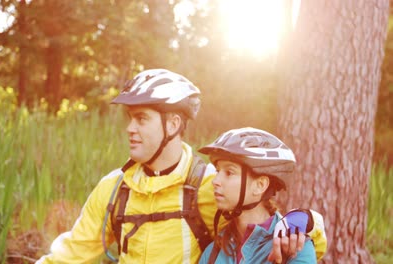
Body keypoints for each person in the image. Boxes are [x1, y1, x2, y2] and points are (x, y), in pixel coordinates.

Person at [36, 69, 325, 264]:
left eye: (141, 118)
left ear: (173, 124)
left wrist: (307, 221)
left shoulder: (210, 185)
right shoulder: (114, 189)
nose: (130, 128)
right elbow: (69, 253)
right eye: (129, 118)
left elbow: (273, 226)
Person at [198, 127, 322, 263]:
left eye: (229, 172)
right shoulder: (212, 253)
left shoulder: (295, 248)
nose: (215, 181)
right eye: (217, 171)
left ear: (260, 185)